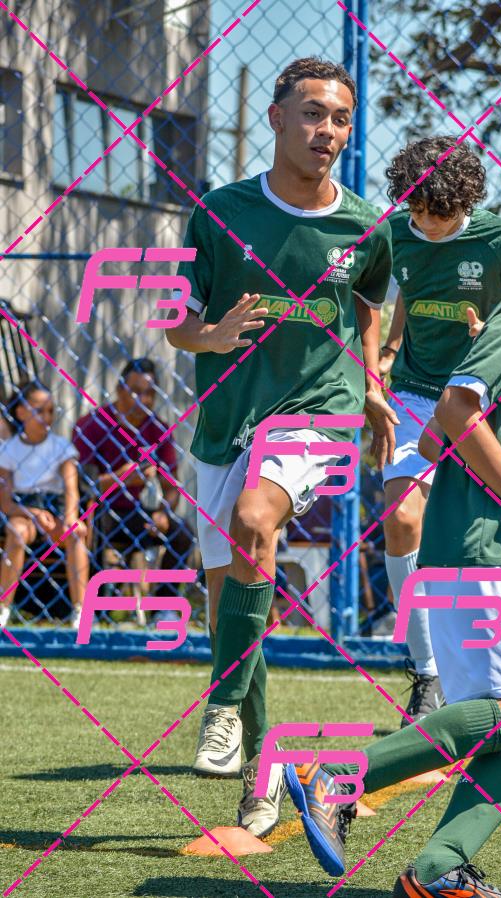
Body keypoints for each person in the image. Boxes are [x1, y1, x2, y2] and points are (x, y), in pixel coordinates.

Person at [284, 186, 501, 897]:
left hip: (492, 541)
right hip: (485, 544)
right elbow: (457, 408)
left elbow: (441, 434)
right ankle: (338, 775)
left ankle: (437, 871)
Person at [166, 56, 395, 838]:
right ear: (276, 118)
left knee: (256, 519)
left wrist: (371, 382)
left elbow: (368, 304)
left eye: (340, 118)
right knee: (234, 609)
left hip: (316, 411)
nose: (327, 130)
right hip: (226, 420)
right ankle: (262, 770)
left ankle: (220, 706)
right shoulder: (219, 213)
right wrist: (212, 335)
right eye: (312, 113)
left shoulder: (365, 225)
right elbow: (178, 323)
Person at [378, 136, 501, 722]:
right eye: (417, 211)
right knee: (401, 518)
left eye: (439, 215)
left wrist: (491, 336)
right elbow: (400, 291)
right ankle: (427, 675)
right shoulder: (393, 235)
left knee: (481, 538)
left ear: (465, 202)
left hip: (480, 399)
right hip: (415, 394)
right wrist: (388, 350)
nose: (427, 225)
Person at [73, 358, 194, 595]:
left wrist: (163, 511)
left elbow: (172, 488)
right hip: (97, 510)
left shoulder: (158, 429)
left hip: (135, 512)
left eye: (150, 393)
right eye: (136, 392)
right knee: (95, 526)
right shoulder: (92, 424)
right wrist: (121, 477)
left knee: (182, 533)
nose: (143, 400)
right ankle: (95, 602)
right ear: (119, 389)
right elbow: (83, 486)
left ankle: (163, 605)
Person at [0, 381, 89, 628]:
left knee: (76, 535)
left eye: (51, 411)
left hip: (55, 506)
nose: (46, 417)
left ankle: (80, 609)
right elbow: (5, 502)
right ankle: (3, 606)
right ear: (21, 412)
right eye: (39, 411)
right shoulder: (9, 449)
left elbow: (71, 489)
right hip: (25, 508)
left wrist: (70, 517)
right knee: (17, 532)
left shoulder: (61, 447)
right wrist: (33, 513)